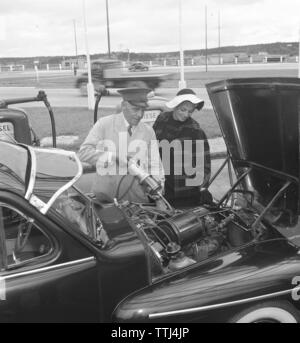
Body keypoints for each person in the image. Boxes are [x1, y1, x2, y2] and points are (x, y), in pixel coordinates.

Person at [78, 88, 164, 203]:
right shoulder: (104, 124)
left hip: (137, 200)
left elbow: (155, 163)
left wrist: (159, 185)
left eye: (143, 110)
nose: (140, 115)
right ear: (124, 105)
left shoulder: (148, 131)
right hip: (106, 198)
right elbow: (84, 153)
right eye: (135, 109)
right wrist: (114, 157)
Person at [153, 88, 211, 207]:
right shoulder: (161, 120)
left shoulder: (195, 131)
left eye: (190, 111)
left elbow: (204, 167)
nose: (186, 115)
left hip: (184, 193)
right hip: (162, 187)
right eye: (182, 110)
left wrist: (201, 189)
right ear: (175, 106)